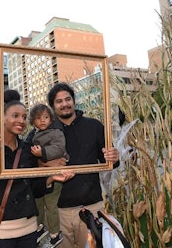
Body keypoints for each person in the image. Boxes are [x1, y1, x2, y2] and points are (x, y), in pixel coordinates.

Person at [0, 91, 74, 248]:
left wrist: (51, 179)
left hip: (29, 230)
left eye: (24, 117)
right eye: (15, 116)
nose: (21, 121)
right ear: (2, 118)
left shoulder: (27, 148)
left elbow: (35, 189)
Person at [46, 82, 120, 248]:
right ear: (52, 106)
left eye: (68, 99)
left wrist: (114, 158)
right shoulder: (46, 133)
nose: (65, 104)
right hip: (60, 213)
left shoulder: (94, 126)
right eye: (59, 101)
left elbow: (109, 163)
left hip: (92, 208)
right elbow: (37, 173)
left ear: (73, 100)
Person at [28, 103, 69, 247]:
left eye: (46, 117)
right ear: (33, 121)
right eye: (39, 118)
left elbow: (59, 148)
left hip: (54, 174)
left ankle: (54, 233)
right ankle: (40, 227)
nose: (43, 120)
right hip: (40, 176)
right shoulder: (32, 135)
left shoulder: (56, 132)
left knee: (51, 204)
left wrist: (42, 153)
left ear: (51, 119)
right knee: (38, 201)